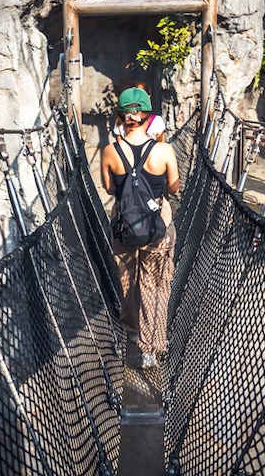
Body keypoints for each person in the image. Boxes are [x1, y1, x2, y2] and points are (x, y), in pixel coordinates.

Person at [101, 87, 180, 370]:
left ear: (122, 116)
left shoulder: (110, 151)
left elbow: (109, 188)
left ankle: (132, 333)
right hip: (157, 225)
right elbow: (174, 186)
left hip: (123, 224)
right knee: (155, 285)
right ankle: (151, 347)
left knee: (127, 282)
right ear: (147, 115)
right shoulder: (164, 149)